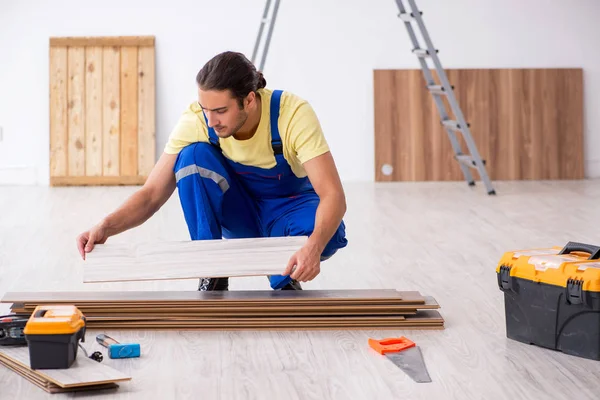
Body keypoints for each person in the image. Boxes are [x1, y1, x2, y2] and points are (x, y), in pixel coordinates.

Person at [76, 51, 348, 291]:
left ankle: (283, 275)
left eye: (220, 110)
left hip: (286, 211)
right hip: (239, 212)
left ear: (249, 100)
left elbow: (333, 194)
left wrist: (313, 248)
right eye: (206, 109)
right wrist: (105, 227)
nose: (211, 120)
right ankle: (212, 268)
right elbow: (151, 194)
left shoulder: (292, 114)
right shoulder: (197, 120)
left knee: (327, 233)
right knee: (192, 156)